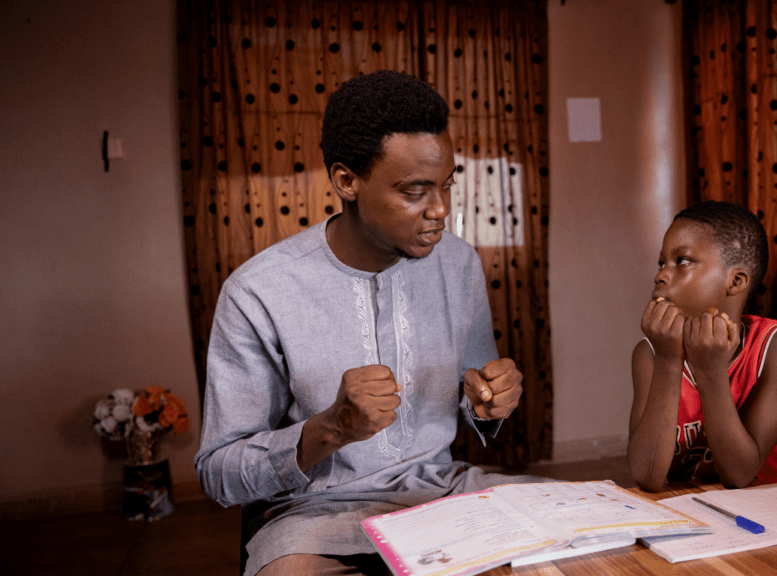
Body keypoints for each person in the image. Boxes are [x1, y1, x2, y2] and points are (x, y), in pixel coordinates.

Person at [195, 70, 543, 576]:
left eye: (446, 186)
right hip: (314, 515)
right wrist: (331, 427)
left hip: (444, 492)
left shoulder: (459, 264)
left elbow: (476, 394)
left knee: (595, 537)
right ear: (347, 181)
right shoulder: (258, 292)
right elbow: (218, 473)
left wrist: (490, 402)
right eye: (415, 191)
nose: (441, 210)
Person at [627, 200, 777, 492]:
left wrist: (711, 370)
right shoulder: (651, 354)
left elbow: (739, 476)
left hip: (775, 511)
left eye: (683, 261)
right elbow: (647, 477)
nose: (660, 275)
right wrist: (668, 359)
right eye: (662, 262)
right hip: (697, 509)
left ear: (736, 281)